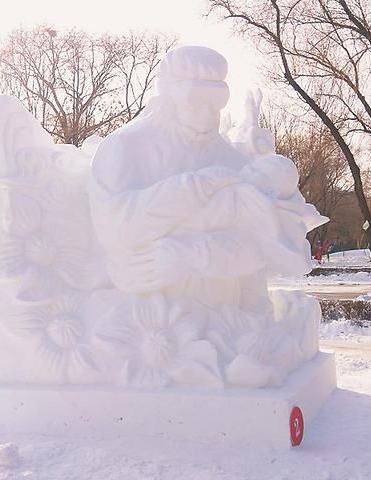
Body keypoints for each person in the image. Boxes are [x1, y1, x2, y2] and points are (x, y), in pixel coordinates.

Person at [88, 46, 327, 310]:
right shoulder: (125, 148)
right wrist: (190, 190)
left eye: (217, 102)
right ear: (171, 96)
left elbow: (263, 243)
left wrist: (193, 254)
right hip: (144, 319)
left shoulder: (234, 163)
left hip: (223, 318)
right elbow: (113, 230)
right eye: (195, 101)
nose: (208, 113)